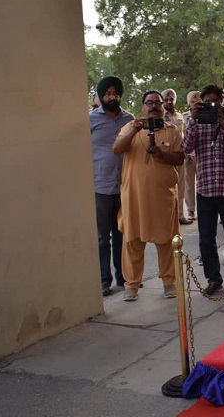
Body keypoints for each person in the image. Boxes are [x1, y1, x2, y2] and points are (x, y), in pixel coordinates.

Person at [113, 90, 185, 302]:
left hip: (162, 197)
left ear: (163, 107)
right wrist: (133, 131)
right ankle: (131, 285)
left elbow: (180, 159)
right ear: (142, 107)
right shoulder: (130, 127)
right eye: (149, 103)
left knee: (165, 240)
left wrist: (162, 155)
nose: (154, 106)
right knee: (132, 240)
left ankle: (169, 282)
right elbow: (116, 149)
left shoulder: (172, 131)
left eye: (157, 103)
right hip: (134, 197)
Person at [183, 84, 224, 295]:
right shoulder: (196, 125)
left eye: (215, 102)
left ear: (222, 102)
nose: (212, 106)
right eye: (206, 103)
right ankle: (213, 279)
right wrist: (193, 120)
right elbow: (185, 148)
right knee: (206, 239)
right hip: (206, 193)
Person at [90, 76, 135, 296]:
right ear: (101, 96)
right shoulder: (90, 120)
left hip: (124, 185)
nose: (112, 96)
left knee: (122, 235)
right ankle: (103, 281)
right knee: (101, 237)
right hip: (99, 186)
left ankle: (124, 277)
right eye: (107, 93)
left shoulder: (129, 119)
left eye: (115, 93)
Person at [162, 89, 192, 225]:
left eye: (171, 99)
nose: (169, 102)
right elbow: (159, 138)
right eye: (166, 99)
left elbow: (185, 134)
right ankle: (167, 217)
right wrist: (167, 147)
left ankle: (180, 215)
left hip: (181, 155)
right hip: (166, 156)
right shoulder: (159, 117)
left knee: (181, 186)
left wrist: (188, 153)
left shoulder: (180, 116)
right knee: (166, 187)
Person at [183, 91, 201, 220]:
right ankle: (190, 210)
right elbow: (183, 136)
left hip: (201, 154)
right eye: (192, 102)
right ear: (189, 103)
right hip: (189, 155)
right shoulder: (184, 117)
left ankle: (202, 209)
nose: (195, 103)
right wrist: (186, 154)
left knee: (201, 182)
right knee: (189, 183)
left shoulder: (206, 115)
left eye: (198, 101)